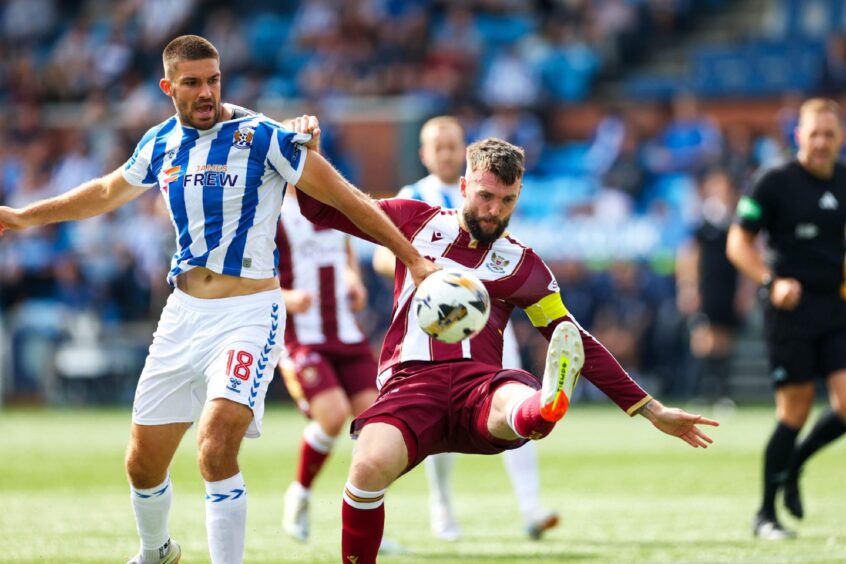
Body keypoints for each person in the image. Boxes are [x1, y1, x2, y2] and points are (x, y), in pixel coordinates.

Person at [0, 35, 436, 564]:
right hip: (183, 313)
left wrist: (410, 256)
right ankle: (157, 550)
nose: (206, 92)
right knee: (141, 464)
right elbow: (105, 192)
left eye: (213, 79)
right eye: (192, 83)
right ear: (168, 87)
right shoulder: (159, 143)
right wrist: (24, 217)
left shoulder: (263, 137)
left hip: (248, 313)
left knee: (215, 442)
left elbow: (346, 199)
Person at [295, 135, 719, 564]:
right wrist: (306, 152)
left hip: (479, 387)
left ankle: (544, 407)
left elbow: (576, 339)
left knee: (516, 400)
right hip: (411, 384)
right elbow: (320, 207)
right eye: (485, 197)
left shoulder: (523, 265)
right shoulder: (415, 221)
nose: (494, 211)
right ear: (463, 187)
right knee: (367, 468)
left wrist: (651, 409)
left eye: (507, 200)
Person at [373, 116, 558, 541]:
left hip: (490, 321)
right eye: (437, 147)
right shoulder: (412, 196)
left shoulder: (489, 191)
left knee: (519, 397)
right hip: (437, 324)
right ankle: (441, 506)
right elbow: (382, 257)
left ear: (463, 149)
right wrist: (416, 267)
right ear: (423, 154)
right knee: (437, 413)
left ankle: (531, 506)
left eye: (452, 145)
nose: (446, 153)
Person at [727, 97, 846, 540]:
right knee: (793, 412)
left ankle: (794, 465)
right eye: (813, 134)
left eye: (829, 135)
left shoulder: (844, 179)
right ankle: (765, 514)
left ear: (840, 138)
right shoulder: (773, 181)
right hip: (789, 310)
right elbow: (738, 243)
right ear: (799, 135)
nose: (821, 143)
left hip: (835, 306)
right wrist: (769, 280)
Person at [275, 186, 378, 542]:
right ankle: (300, 493)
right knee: (333, 417)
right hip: (301, 336)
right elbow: (249, 277)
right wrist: (285, 297)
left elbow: (346, 258)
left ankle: (363, 525)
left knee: (377, 428)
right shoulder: (271, 213)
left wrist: (355, 283)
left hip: (345, 331)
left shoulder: (337, 207)